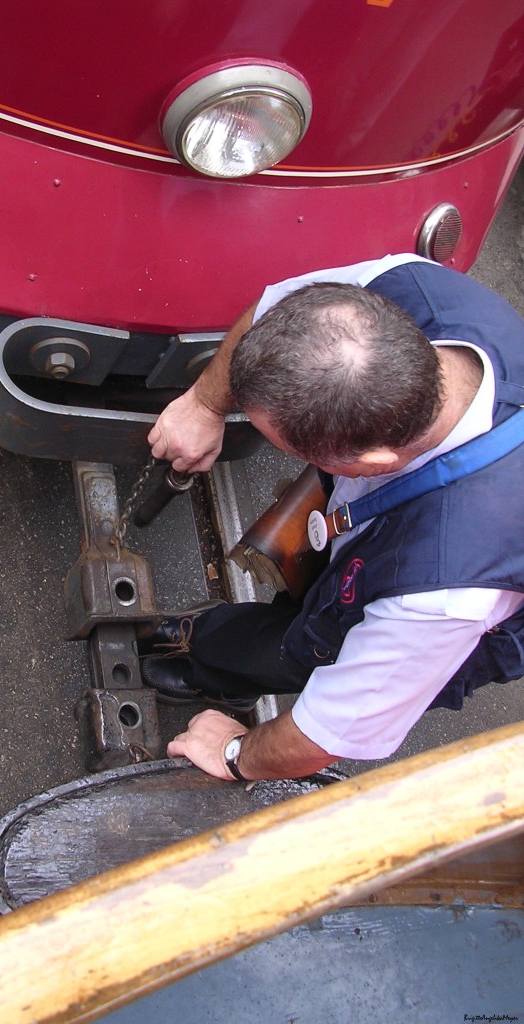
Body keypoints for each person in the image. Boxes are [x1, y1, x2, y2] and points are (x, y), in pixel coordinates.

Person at [141, 254, 524, 783]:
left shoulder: (441, 598)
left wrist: (235, 753)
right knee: (310, 591)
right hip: (392, 523)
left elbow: (325, 734)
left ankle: (224, 670)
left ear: (373, 464)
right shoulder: (405, 284)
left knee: (315, 645)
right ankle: (221, 658)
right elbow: (275, 316)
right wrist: (206, 404)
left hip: (446, 595)